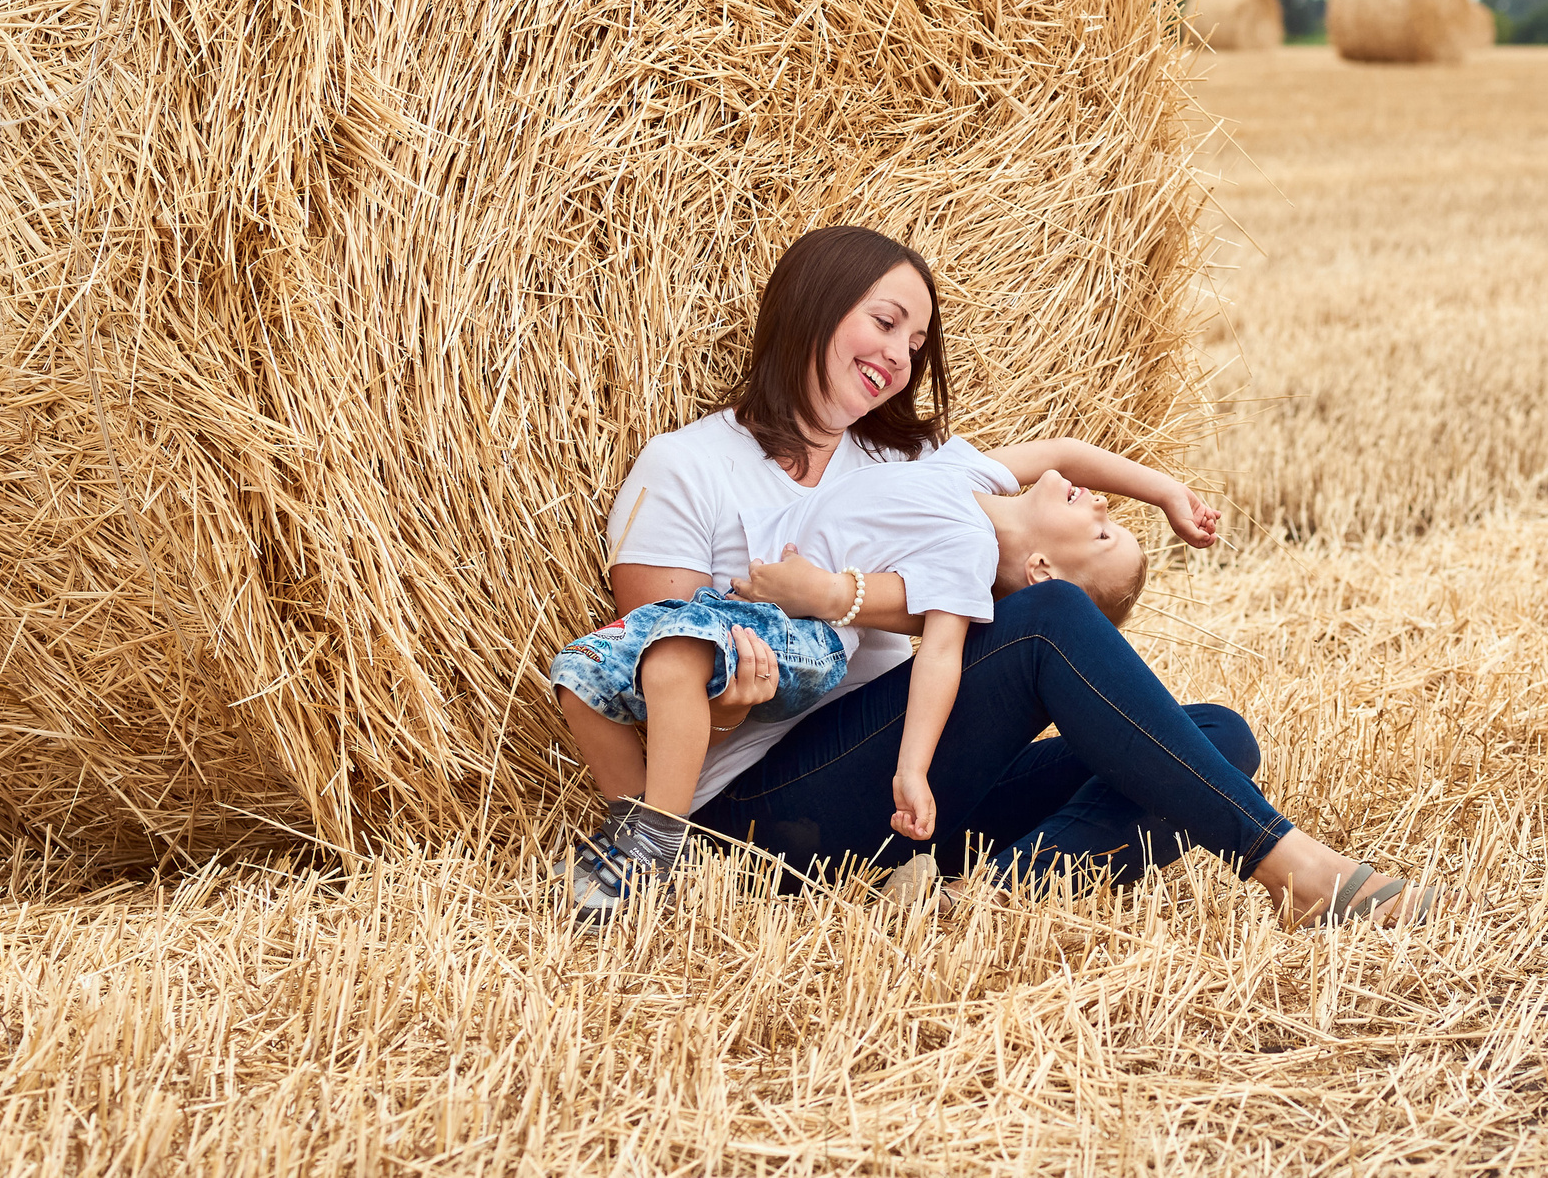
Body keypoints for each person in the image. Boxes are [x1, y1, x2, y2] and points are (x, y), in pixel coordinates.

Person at [576, 224, 1432, 928]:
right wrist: (734, 699)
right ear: (813, 301)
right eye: (884, 322)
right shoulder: (689, 468)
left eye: (916, 343)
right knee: (1052, 619)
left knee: (1219, 737)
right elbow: (656, 689)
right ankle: (1292, 866)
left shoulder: (902, 462)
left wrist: (1160, 493)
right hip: (755, 819)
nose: (901, 357)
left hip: (908, 793)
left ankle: (984, 898)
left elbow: (1031, 499)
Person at [549, 431, 1204, 919]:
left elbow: (941, 659)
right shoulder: (954, 468)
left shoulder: (968, 555)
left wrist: (913, 768)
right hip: (757, 665)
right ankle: (640, 833)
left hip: (804, 640)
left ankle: (978, 896)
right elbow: (1067, 448)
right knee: (576, 672)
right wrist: (1166, 488)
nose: (1102, 509)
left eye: (1102, 535)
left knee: (1219, 735)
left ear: (1042, 570)